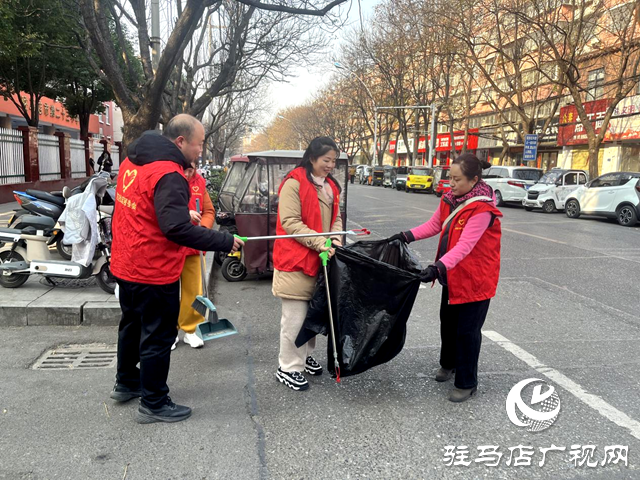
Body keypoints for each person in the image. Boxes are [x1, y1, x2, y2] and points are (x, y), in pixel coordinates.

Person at [109, 114, 244, 423]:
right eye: (199, 145)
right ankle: (154, 402)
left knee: (131, 324)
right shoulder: (169, 173)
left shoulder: (133, 162)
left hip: (126, 260)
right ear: (181, 141)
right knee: (157, 335)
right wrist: (224, 241)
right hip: (153, 268)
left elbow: (148, 211)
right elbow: (176, 229)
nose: (201, 151)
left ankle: (127, 381)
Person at [388, 153, 502, 403]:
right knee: (448, 325)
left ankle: (467, 382)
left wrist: (437, 267)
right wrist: (406, 235)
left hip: (475, 279)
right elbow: (435, 225)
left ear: (474, 180)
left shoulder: (482, 208)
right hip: (453, 276)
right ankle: (448, 364)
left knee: (467, 332)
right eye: (449, 177)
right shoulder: (451, 199)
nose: (451, 183)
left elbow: (465, 246)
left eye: (457, 179)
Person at [272, 137, 344, 391]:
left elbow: (336, 218)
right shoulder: (294, 183)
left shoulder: (331, 187)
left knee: (313, 314)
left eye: (334, 161)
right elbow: (290, 222)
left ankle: (303, 355)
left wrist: (335, 239)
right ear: (312, 158)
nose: (331, 165)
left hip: (321, 259)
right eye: (326, 160)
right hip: (295, 260)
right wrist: (319, 241)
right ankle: (288, 366)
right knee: (295, 317)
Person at [172, 160, 216, 350]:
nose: (189, 174)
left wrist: (202, 230)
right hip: (171, 246)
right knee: (169, 292)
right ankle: (169, 331)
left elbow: (209, 211)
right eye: (186, 169)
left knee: (194, 291)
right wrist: (184, 214)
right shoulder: (170, 180)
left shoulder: (199, 182)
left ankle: (191, 329)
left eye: (192, 169)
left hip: (194, 247)